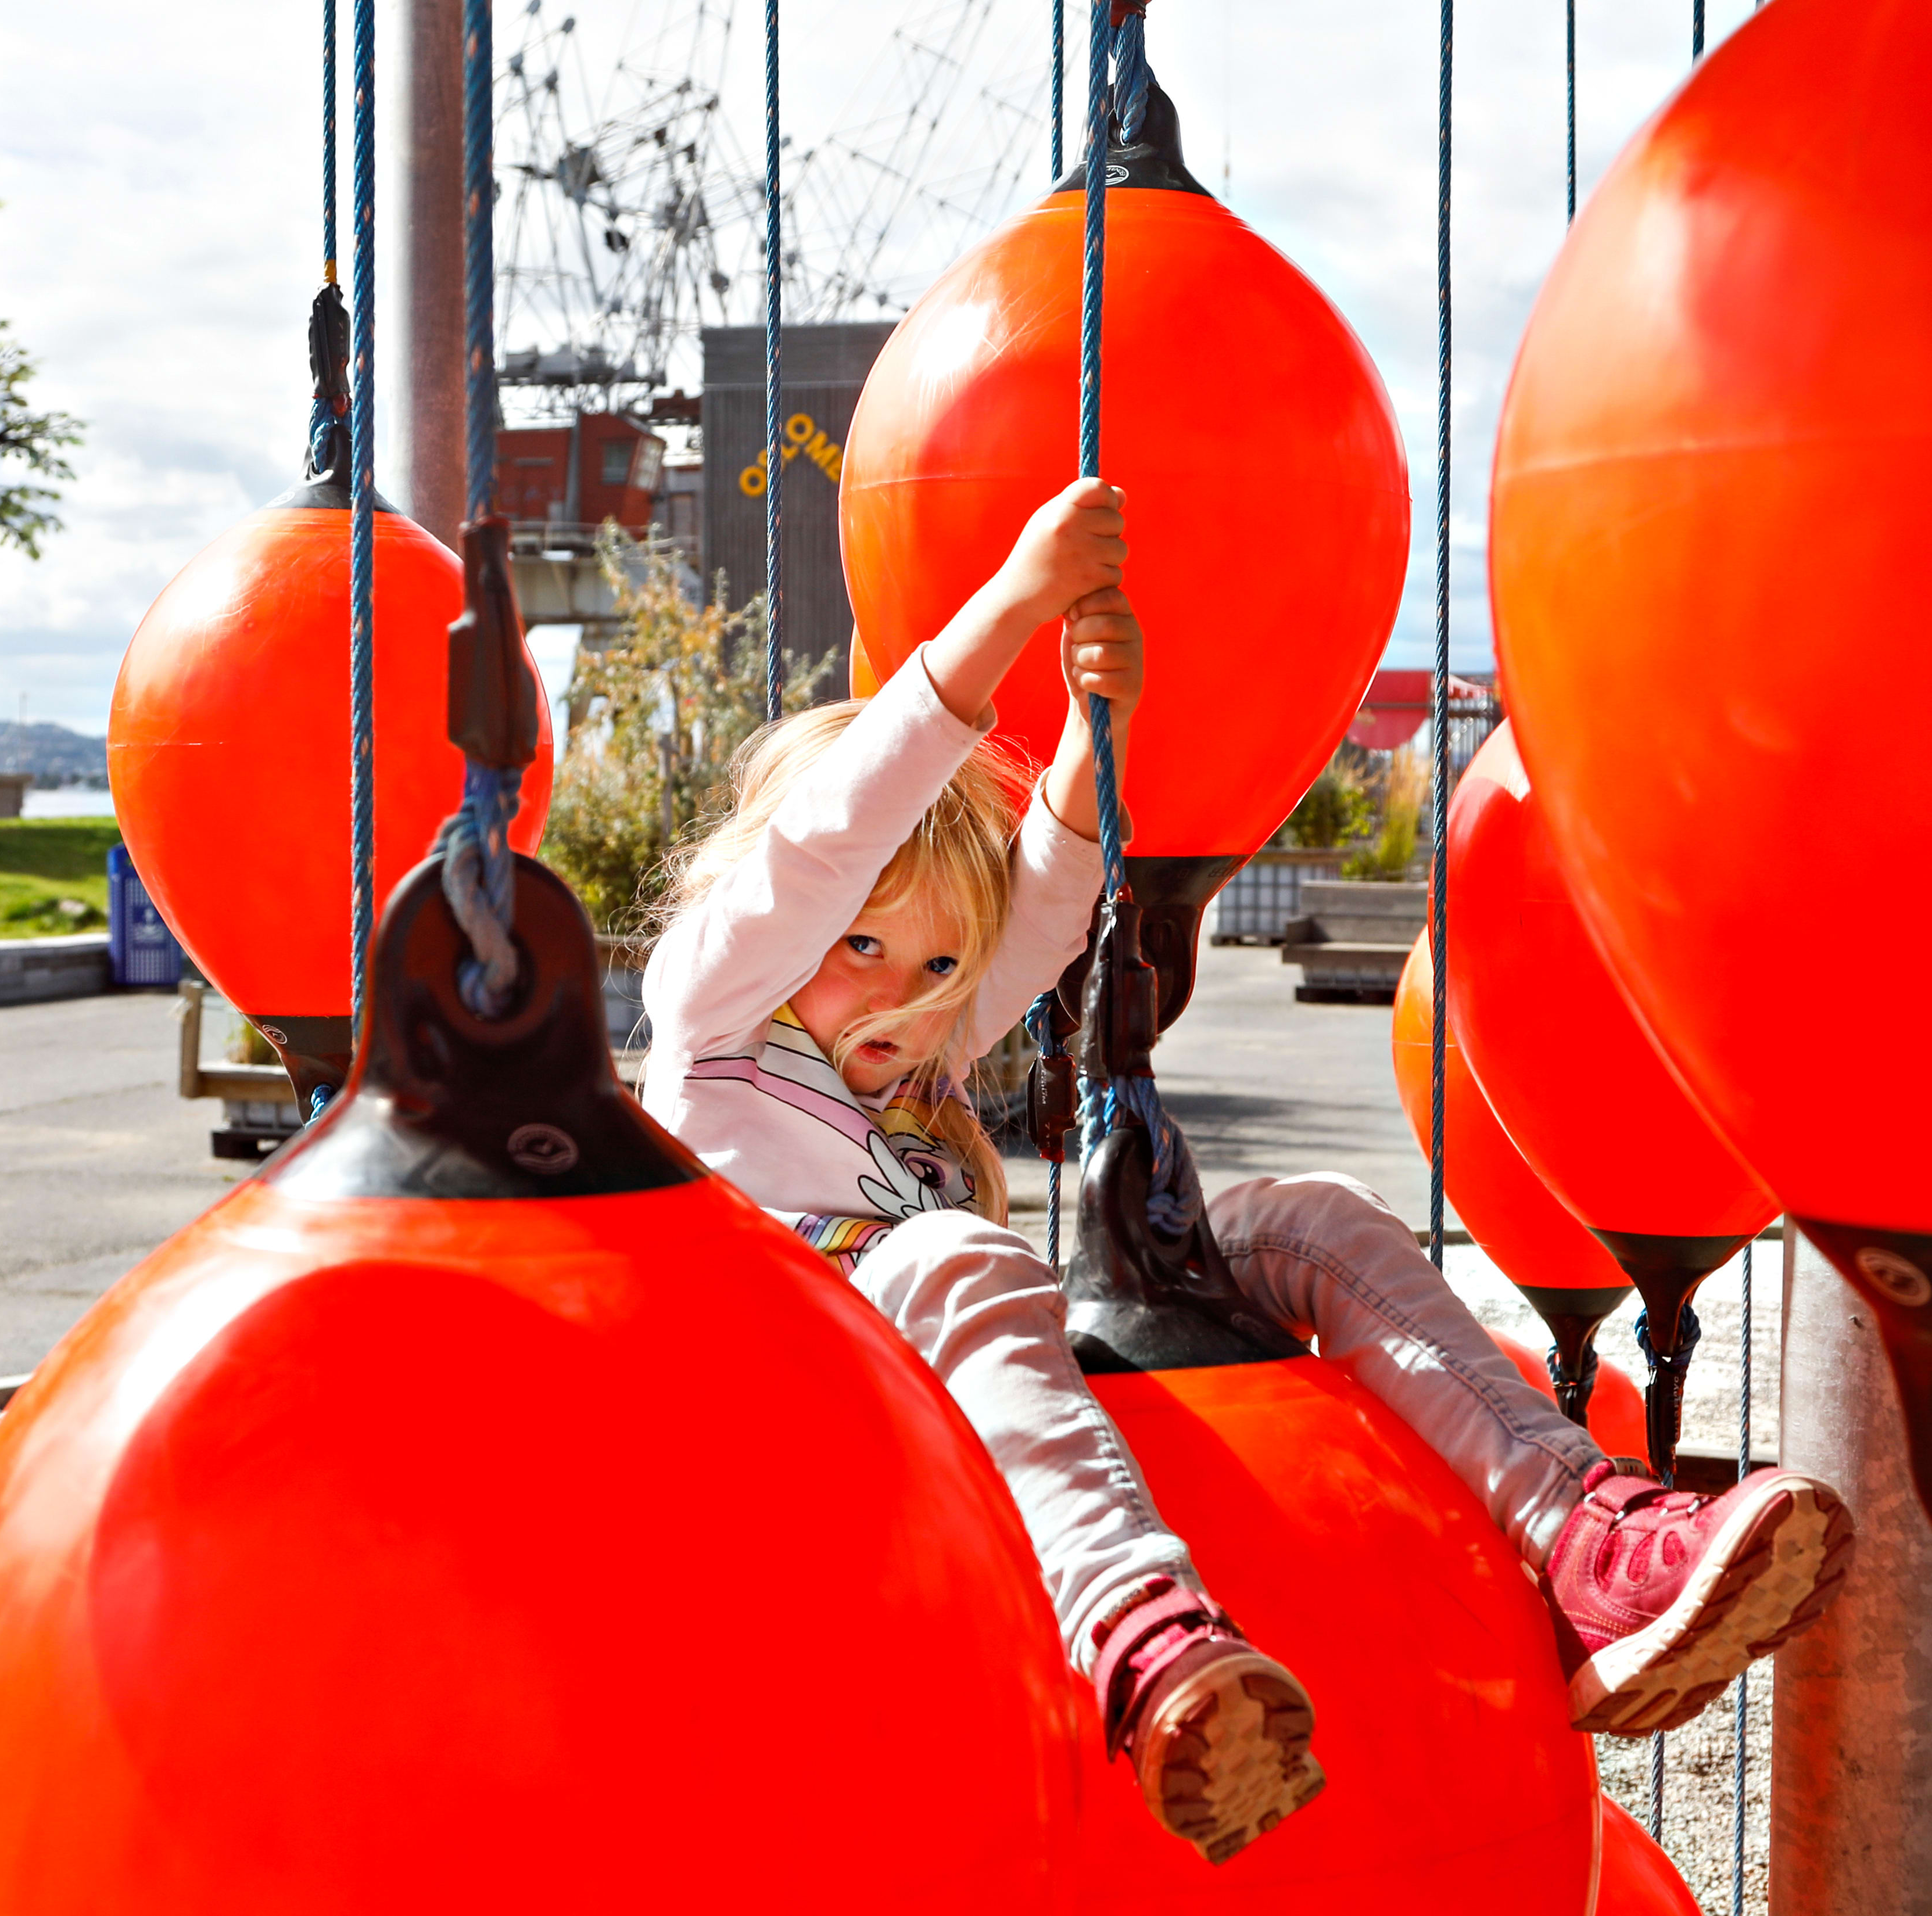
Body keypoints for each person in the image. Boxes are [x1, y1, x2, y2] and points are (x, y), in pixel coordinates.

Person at [641, 479, 1855, 1867]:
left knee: (1310, 1220)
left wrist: (1104, 733)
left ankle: (1579, 1534)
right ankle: (1136, 1632)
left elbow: (1045, 906)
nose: (908, 1006)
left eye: (935, 973)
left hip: (939, 1405)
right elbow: (824, 847)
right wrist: (1006, 614)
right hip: (786, 1432)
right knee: (951, 1255)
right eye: (864, 949)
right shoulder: (715, 1022)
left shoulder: (903, 1066)